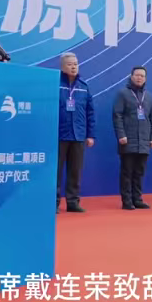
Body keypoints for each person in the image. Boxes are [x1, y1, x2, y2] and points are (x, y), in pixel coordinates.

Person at [112, 66, 152, 210]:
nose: (139, 78)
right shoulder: (123, 94)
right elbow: (117, 115)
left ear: (145, 78)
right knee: (127, 172)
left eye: (142, 76)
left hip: (144, 141)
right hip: (128, 140)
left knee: (139, 172)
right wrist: (121, 135)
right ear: (131, 76)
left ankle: (137, 199)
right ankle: (127, 201)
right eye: (137, 75)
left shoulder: (149, 96)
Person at [58, 52, 95, 213]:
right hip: (59, 134)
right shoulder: (55, 84)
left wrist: (90, 134)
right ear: (62, 67)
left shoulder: (83, 86)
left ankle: (73, 202)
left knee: (75, 171)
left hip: (78, 134)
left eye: (75, 64)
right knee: (56, 171)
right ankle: (54, 202)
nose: (73, 67)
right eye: (70, 64)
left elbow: (90, 112)